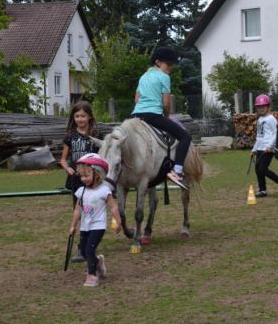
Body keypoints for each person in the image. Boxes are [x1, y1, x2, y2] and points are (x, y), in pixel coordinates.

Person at [131, 46, 191, 190]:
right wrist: (166, 117)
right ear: (157, 62)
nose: (170, 68)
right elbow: (166, 104)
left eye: (172, 65)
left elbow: (136, 99)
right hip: (154, 116)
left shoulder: (143, 76)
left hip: (137, 116)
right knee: (185, 137)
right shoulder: (164, 77)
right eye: (168, 64)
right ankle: (177, 170)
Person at [68, 153, 121, 287]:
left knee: (90, 250)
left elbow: (113, 207)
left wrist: (118, 221)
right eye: (81, 176)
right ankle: (98, 262)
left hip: (98, 225)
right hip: (85, 226)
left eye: (86, 176)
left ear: (97, 174)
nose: (83, 179)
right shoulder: (81, 191)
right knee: (85, 253)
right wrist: (73, 226)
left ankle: (92, 275)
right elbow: (77, 210)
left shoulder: (104, 190)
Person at [60, 101, 101, 262]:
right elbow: (63, 159)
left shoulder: (96, 136)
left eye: (83, 115)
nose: (80, 119)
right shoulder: (70, 137)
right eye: (77, 116)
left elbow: (101, 157)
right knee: (80, 212)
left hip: (93, 180)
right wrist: (67, 168)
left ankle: (89, 245)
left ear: (89, 117)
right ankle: (81, 248)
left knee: (92, 212)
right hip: (76, 180)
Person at [251, 94, 278, 197]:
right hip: (260, 148)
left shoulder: (271, 119)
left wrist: (270, 146)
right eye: (259, 107)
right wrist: (254, 149)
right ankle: (262, 190)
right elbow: (259, 136)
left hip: (268, 148)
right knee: (257, 169)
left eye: (263, 107)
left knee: (262, 169)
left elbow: (276, 134)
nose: (261, 109)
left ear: (268, 106)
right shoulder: (259, 120)